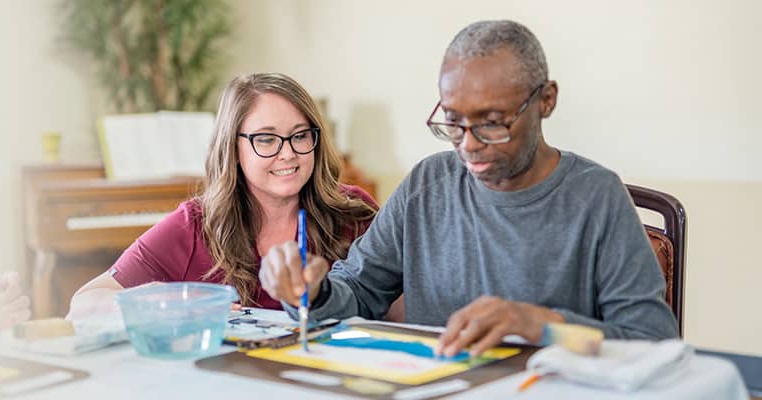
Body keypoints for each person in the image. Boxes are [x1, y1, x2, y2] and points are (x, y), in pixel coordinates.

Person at [256, 20, 679, 359]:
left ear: (546, 100)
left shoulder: (597, 197)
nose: (469, 143)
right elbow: (359, 292)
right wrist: (315, 292)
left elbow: (651, 342)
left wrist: (541, 326)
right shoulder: (427, 185)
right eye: (453, 121)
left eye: (492, 122)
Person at [65, 73, 379, 319]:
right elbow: (83, 305)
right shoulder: (193, 224)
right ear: (233, 147)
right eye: (266, 139)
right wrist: (162, 303)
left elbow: (402, 313)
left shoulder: (355, 211)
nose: (288, 153)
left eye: (300, 136)